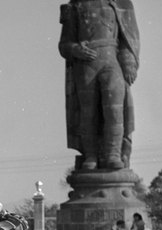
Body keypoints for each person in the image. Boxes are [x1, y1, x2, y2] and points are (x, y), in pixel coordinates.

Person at [59, 0, 140, 170]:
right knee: (88, 113)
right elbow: (64, 44)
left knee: (114, 110)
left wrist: (129, 61)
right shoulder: (75, 6)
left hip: (111, 59)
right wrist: (75, 49)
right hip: (86, 64)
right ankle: (91, 155)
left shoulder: (119, 3)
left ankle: (113, 154)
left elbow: (128, 37)